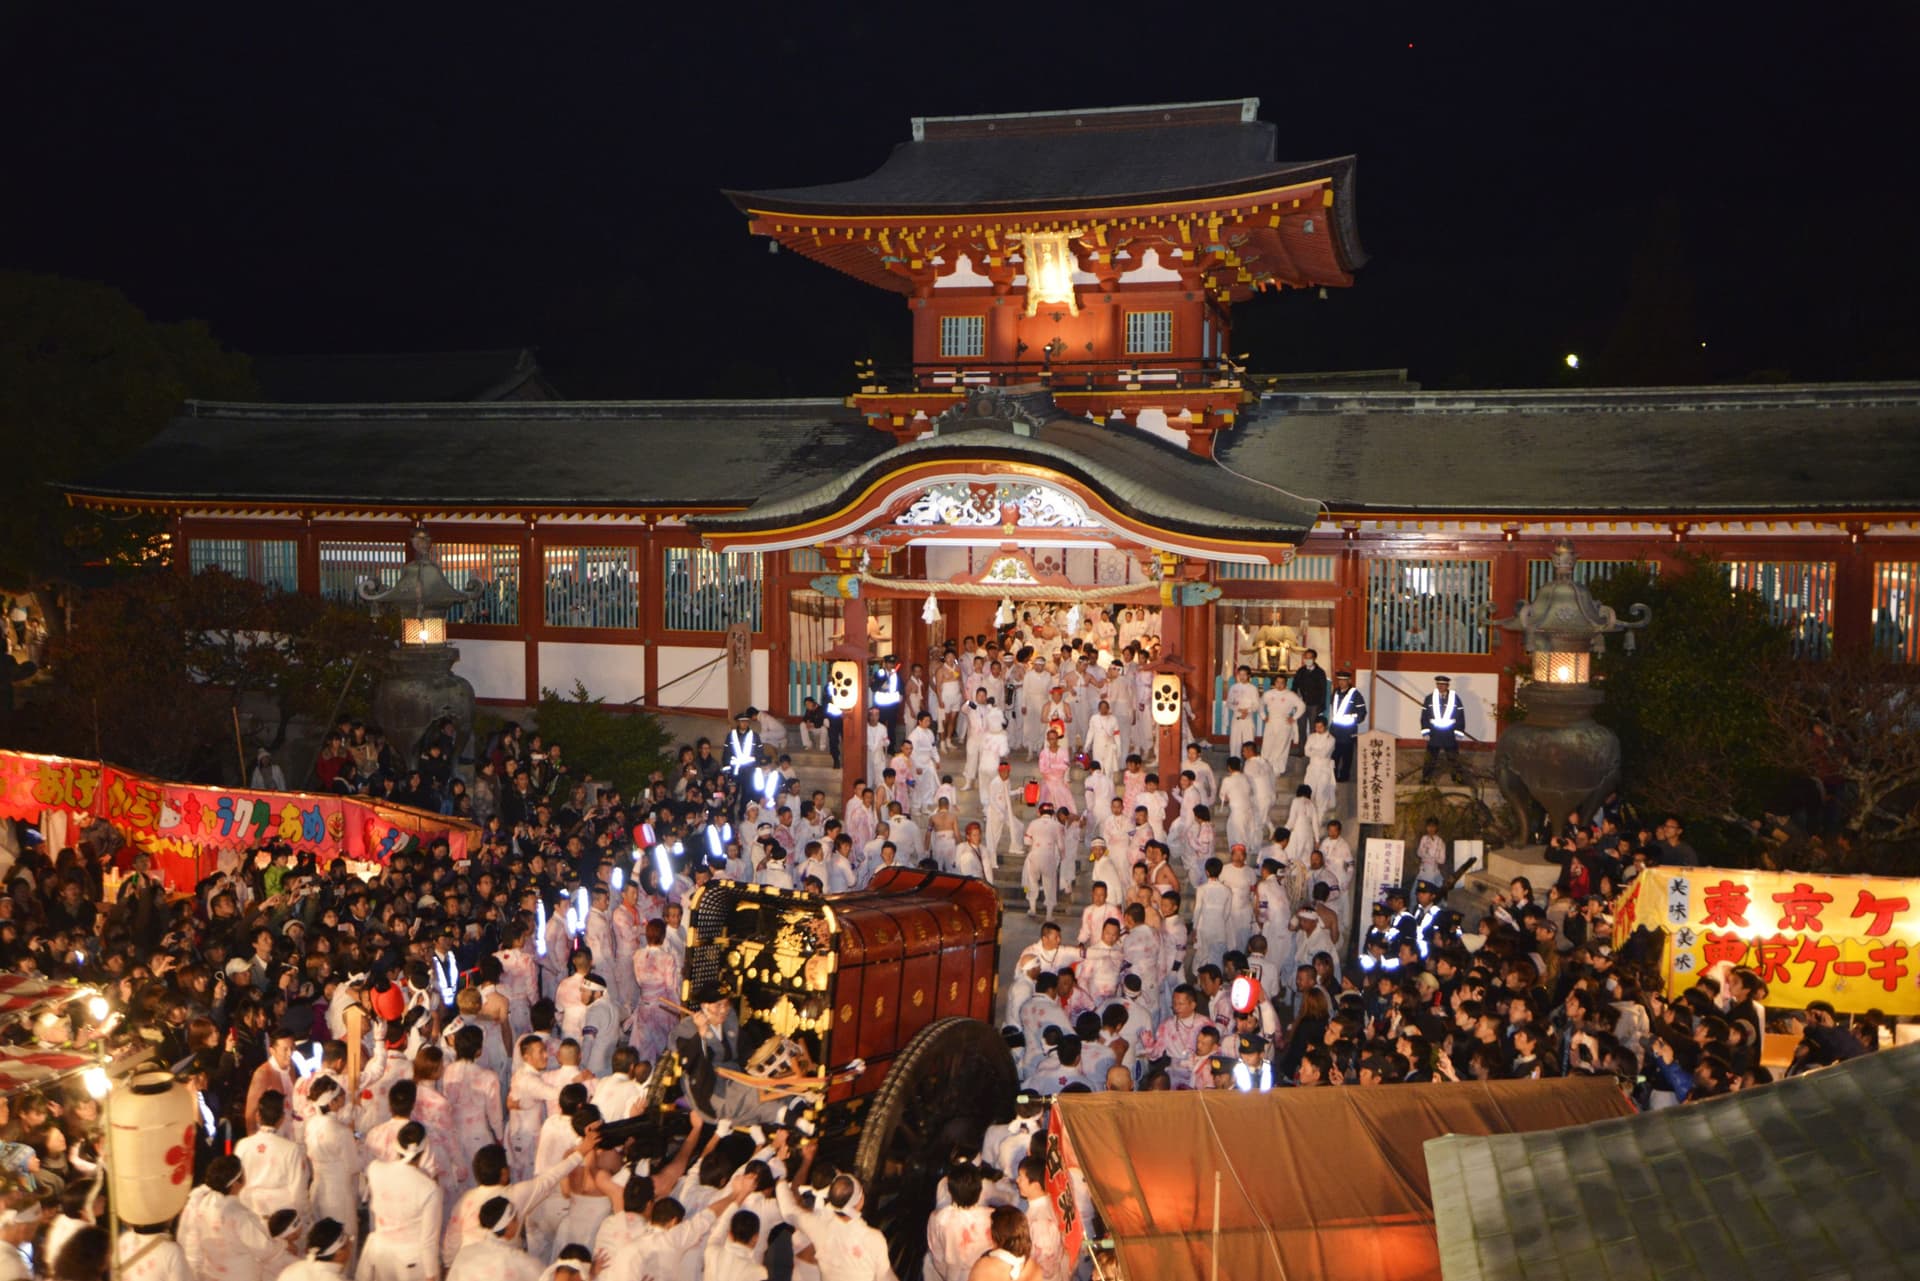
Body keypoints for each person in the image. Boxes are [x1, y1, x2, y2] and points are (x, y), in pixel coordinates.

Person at [1419, 675, 1467, 783]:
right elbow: (1424, 716)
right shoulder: (1429, 698)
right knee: (1430, 759)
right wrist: (1425, 731)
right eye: (1438, 684)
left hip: (1449, 733)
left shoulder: (1455, 698)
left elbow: (1460, 716)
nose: (1440, 687)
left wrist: (1459, 732)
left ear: (1447, 686)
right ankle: (1426, 778)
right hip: (1434, 733)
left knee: (1453, 758)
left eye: (1443, 685)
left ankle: (1458, 778)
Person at [1326, 669, 1366, 783]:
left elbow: (1362, 713)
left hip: (1348, 731)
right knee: (1334, 755)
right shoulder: (1336, 692)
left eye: (1344, 680)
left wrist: (1351, 719)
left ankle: (1344, 777)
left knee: (1347, 756)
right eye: (1340, 680)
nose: (1341, 683)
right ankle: (1333, 776)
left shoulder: (1355, 694)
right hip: (1335, 730)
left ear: (1349, 680)